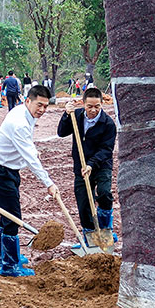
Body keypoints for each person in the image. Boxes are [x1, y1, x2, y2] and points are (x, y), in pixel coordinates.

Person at [0, 85, 59, 276]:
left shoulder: (25, 114)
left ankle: (4, 256)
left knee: (7, 215)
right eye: (39, 105)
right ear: (28, 101)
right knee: (13, 218)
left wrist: (33, 151)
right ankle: (10, 266)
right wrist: (49, 183)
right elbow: (30, 159)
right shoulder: (19, 122)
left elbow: (28, 146)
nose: (42, 110)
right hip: (0, 172)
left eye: (45, 106)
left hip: (10, 170)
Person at [57, 88, 117, 242]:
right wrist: (66, 115)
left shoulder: (108, 123)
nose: (93, 110)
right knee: (83, 202)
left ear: (102, 104)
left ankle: (105, 229)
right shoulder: (76, 116)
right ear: (83, 104)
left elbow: (106, 149)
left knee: (104, 193)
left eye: (97, 106)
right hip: (81, 167)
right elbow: (61, 132)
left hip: (101, 165)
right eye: (89, 106)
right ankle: (90, 237)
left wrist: (91, 164)